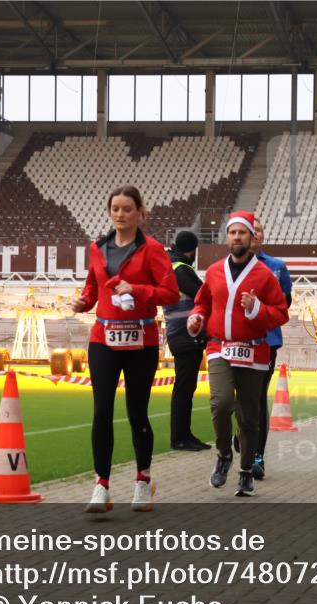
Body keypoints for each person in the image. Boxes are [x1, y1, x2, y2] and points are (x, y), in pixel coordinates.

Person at [72, 186, 180, 512]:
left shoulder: (153, 250)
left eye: (127, 209)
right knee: (101, 411)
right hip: (103, 339)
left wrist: (137, 289)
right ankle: (101, 486)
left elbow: (171, 294)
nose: (120, 214)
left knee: (137, 412)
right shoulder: (97, 248)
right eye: (115, 209)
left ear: (140, 213)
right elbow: (92, 286)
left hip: (141, 339)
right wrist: (83, 301)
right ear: (109, 212)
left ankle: (143, 480)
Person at [187, 210, 289, 497]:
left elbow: (281, 313)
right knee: (220, 404)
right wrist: (196, 318)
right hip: (219, 346)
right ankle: (223, 455)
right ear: (227, 237)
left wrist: (257, 308)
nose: (237, 237)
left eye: (242, 232)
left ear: (251, 237)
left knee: (249, 417)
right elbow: (202, 304)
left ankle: (245, 471)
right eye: (232, 232)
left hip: (254, 350)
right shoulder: (214, 271)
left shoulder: (265, 275)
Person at [245, 218, 292, 480]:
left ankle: (257, 456)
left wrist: (262, 310)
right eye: (249, 229)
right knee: (236, 399)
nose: (254, 233)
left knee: (258, 397)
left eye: (258, 230)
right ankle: (241, 435)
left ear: (262, 235)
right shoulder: (227, 267)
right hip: (234, 341)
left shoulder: (277, 267)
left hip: (266, 341)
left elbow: (285, 303)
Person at [165, 230, 209, 452]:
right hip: (185, 335)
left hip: (179, 332)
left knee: (186, 387)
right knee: (184, 388)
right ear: (193, 251)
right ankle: (179, 437)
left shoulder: (172, 264)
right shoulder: (181, 269)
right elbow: (202, 294)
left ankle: (185, 434)